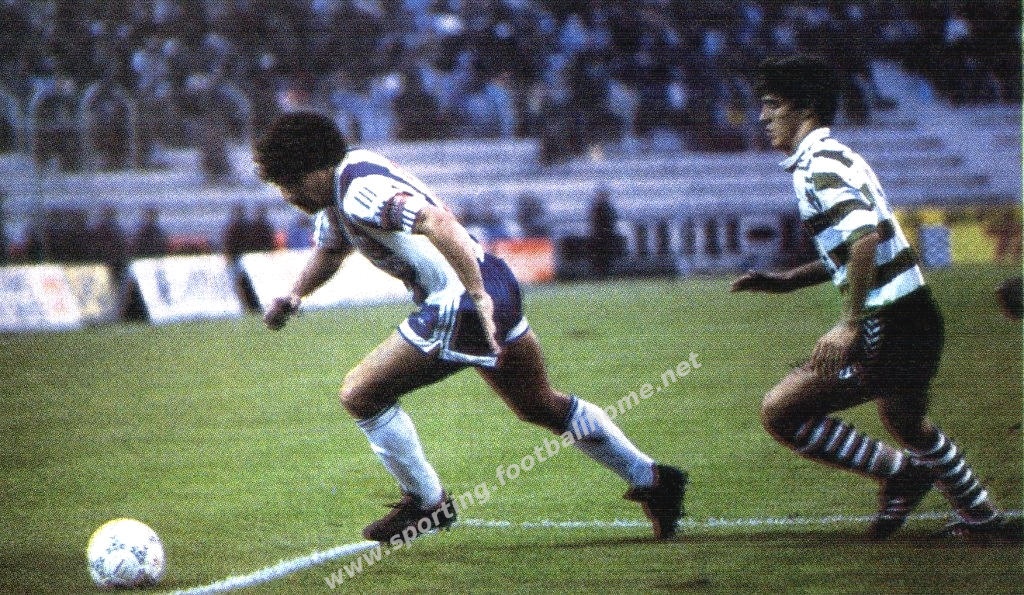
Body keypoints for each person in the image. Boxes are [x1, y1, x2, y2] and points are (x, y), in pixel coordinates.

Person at [253, 111, 686, 543]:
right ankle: (652, 478)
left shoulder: (357, 193)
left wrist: (476, 296)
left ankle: (428, 503)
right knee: (538, 404)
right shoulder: (344, 186)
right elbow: (330, 250)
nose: (288, 196)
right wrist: (295, 295)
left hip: (462, 299)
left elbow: (437, 222)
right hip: (493, 279)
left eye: (290, 184)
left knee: (361, 393)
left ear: (315, 168)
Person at [731, 54, 1018, 541]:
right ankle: (980, 516)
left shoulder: (816, 167)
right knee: (907, 422)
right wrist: (789, 280)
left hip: (888, 323)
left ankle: (902, 475)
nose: (763, 116)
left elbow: (864, 237)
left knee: (782, 411)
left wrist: (849, 323)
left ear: (805, 108)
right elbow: (866, 240)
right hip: (917, 313)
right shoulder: (842, 156)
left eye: (772, 104)